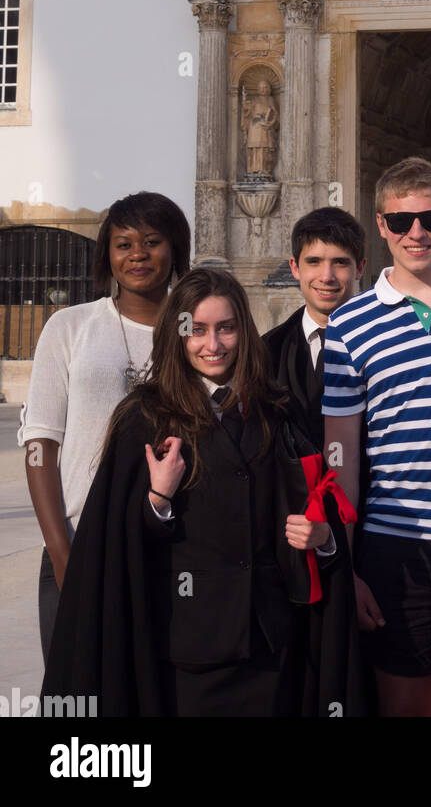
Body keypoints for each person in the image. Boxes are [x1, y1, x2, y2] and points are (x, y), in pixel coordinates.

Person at [42, 266, 363, 716]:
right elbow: (119, 548)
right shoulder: (144, 418)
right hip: (185, 654)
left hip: (272, 646)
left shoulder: (277, 412)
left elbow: (317, 522)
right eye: (197, 330)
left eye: (226, 328)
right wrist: (158, 500)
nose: (213, 345)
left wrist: (323, 538)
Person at [323, 157, 431, 718]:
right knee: (404, 701)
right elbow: (340, 452)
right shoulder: (349, 323)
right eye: (402, 221)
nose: (418, 233)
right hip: (394, 544)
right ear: (382, 226)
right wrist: (348, 562)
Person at [18, 190, 191, 664]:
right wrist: (60, 550)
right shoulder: (70, 327)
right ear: (107, 255)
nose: (138, 254)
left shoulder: (195, 331)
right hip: (79, 539)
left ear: (175, 248)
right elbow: (40, 443)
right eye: (123, 243)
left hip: (172, 544)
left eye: (152, 241)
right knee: (77, 696)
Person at [263, 207, 367, 448]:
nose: (326, 276)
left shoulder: (384, 342)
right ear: (295, 267)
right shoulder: (266, 349)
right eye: (314, 261)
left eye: (340, 262)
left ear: (359, 268)